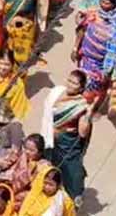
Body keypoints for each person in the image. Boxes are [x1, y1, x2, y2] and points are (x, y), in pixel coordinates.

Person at [41, 70, 94, 206]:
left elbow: (82, 133)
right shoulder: (56, 92)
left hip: (68, 146)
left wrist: (87, 116)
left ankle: (72, 203)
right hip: (51, 141)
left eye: (74, 83)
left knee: (72, 175)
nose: (70, 84)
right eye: (69, 80)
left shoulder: (81, 105)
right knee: (50, 172)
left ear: (81, 88)